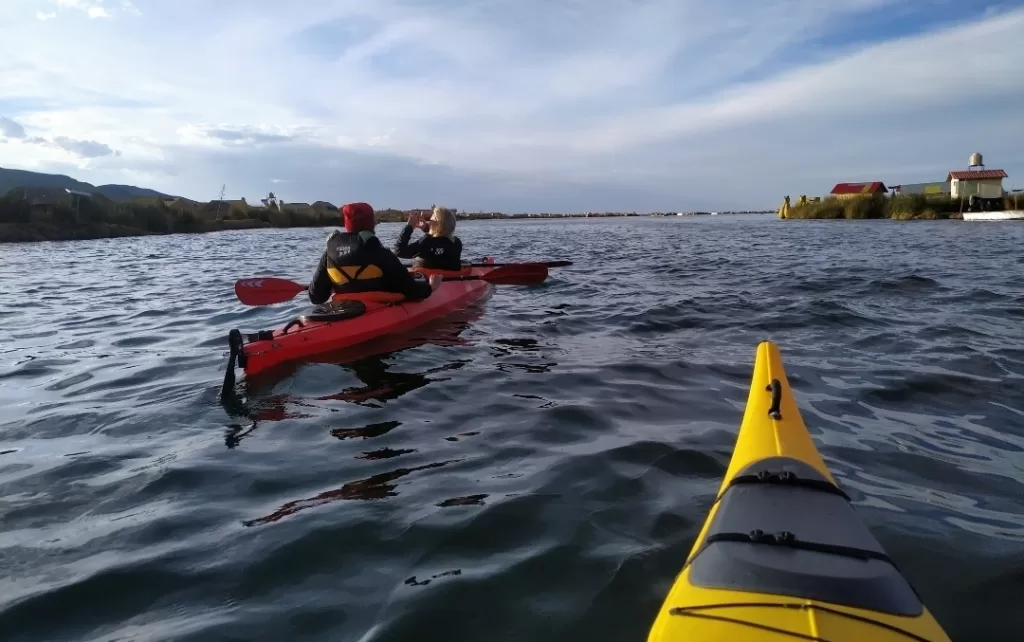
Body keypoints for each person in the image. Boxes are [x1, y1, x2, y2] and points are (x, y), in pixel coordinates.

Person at [308, 202, 442, 305]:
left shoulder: (329, 253)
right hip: (380, 307)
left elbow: (316, 297)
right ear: (370, 224)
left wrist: (335, 285)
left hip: (344, 308)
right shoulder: (380, 253)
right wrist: (430, 287)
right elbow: (411, 290)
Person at [393, 205, 463, 270]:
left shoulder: (426, 241)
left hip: (427, 280)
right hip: (450, 279)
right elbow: (440, 240)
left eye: (431, 220)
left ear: (437, 224)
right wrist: (426, 228)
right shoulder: (457, 242)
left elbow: (399, 251)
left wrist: (409, 227)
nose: (429, 222)